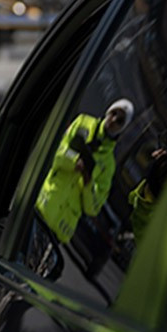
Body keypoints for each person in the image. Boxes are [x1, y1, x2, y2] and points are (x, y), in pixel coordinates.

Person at [34, 99, 134, 243]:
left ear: (122, 128)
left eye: (120, 121)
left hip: (58, 230)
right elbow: (55, 152)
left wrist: (88, 183)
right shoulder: (82, 122)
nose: (113, 120)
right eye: (113, 113)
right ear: (108, 111)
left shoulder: (109, 164)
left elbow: (93, 208)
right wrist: (74, 161)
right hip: (42, 207)